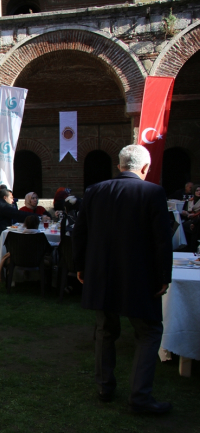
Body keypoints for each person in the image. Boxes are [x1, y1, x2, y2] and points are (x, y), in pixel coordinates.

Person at [72, 144, 172, 414]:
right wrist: (164, 275)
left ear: (119, 166)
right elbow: (163, 239)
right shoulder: (153, 191)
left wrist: (80, 266)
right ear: (145, 168)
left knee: (105, 329)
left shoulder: (95, 191)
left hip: (102, 274)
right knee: (149, 331)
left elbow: (79, 232)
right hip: (139, 275)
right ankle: (139, 396)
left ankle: (105, 386)